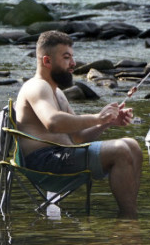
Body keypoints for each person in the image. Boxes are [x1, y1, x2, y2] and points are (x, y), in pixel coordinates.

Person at [14, 30, 142, 218]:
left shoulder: (56, 92)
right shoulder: (37, 86)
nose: (73, 64)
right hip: (44, 163)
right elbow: (53, 122)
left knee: (132, 145)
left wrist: (107, 122)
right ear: (47, 61)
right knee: (121, 150)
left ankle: (130, 212)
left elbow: (78, 136)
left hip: (62, 156)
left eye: (72, 57)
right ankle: (129, 221)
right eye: (66, 58)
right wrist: (98, 117)